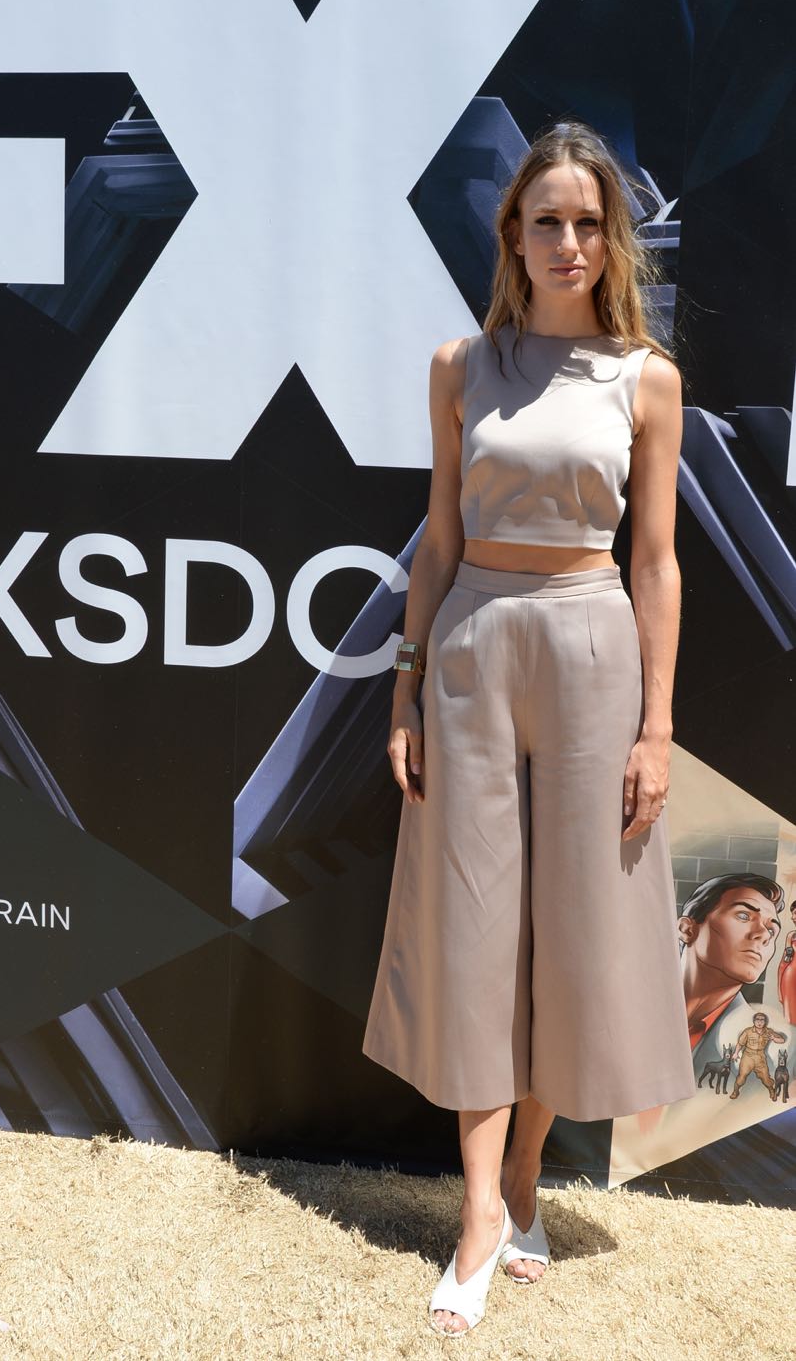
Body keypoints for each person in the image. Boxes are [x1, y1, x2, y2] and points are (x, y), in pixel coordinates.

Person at [362, 120, 698, 1337]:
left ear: (610, 238)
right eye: (544, 218)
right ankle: (476, 1215)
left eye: (585, 220)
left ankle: (520, 1178)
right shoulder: (461, 365)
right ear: (511, 232)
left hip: (591, 647)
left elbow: (654, 562)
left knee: (574, 934)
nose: (566, 240)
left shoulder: (643, 378)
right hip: (466, 645)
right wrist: (401, 684)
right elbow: (436, 538)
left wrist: (655, 727)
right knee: (470, 934)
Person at [677, 872, 784, 1074]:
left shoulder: (769, 1054)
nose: (763, 935)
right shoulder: (631, 1007)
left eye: (771, 930)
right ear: (687, 929)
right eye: (744, 916)